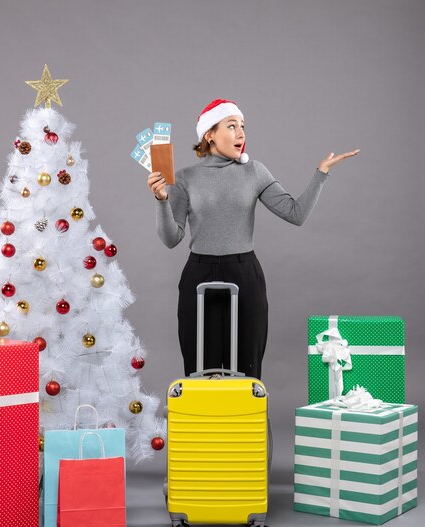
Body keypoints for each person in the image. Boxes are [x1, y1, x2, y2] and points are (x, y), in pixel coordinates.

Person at [148, 99, 359, 378]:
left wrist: (321, 173)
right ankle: (204, 421)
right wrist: (161, 200)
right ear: (209, 134)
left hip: (244, 273)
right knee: (200, 368)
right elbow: (170, 238)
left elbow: (295, 214)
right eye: (231, 126)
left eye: (243, 127)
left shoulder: (255, 171)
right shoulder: (185, 178)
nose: (241, 134)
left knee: (246, 367)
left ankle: (244, 420)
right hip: (198, 274)